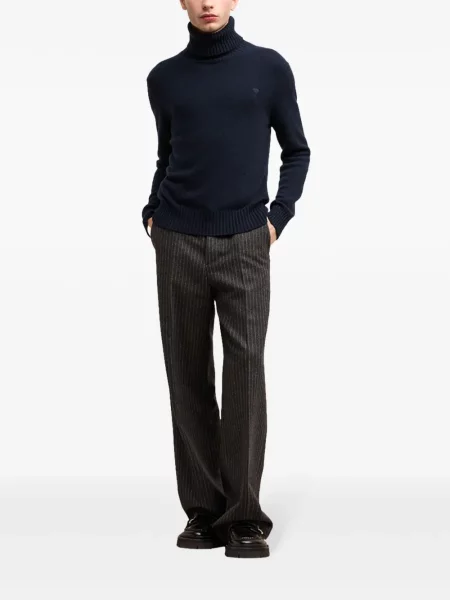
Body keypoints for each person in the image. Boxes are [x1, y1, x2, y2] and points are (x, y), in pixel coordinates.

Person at [141, 0, 310, 559]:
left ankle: (244, 515)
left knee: (244, 376)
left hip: (245, 242)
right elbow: (168, 154)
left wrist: (277, 219)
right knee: (186, 372)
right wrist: (151, 211)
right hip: (177, 240)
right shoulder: (163, 78)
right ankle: (203, 510)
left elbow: (297, 151)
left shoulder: (268, 68)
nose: (208, 3)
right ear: (181, 2)